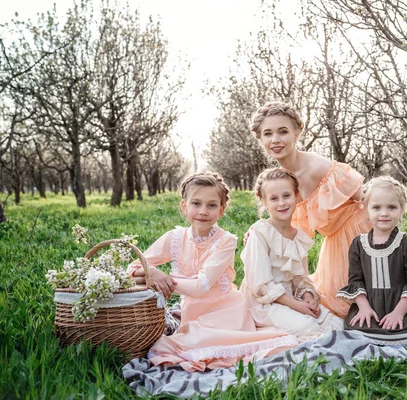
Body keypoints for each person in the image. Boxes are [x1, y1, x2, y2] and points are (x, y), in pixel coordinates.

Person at [127, 172, 297, 372]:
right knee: (168, 346)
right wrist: (153, 272)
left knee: (176, 347)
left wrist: (164, 279)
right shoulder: (174, 238)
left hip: (227, 313)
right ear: (184, 206)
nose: (203, 211)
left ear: (221, 210)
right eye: (196, 203)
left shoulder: (226, 241)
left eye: (212, 205)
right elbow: (132, 268)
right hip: (193, 314)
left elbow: (200, 287)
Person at [250, 101, 372, 317]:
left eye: (283, 132)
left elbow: (366, 198)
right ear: (261, 139)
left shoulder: (317, 167)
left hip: (360, 237)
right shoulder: (283, 182)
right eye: (267, 134)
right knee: (328, 305)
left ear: (297, 133)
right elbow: (287, 226)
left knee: (348, 307)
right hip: (335, 243)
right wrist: (260, 229)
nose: (275, 140)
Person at [239, 167, 343, 341]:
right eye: (274, 198)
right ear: (264, 202)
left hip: (292, 298)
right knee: (309, 329)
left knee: (336, 325)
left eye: (286, 196)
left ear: (296, 196)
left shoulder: (299, 237)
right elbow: (261, 285)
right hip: (264, 304)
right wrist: (297, 306)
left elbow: (300, 279)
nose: (281, 203)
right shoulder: (259, 233)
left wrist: (308, 297)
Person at [337, 176, 407, 344]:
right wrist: (365, 308)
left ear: (402, 209)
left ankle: (399, 318)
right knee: (358, 329)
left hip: (403, 307)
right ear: (366, 210)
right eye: (376, 207)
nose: (384, 213)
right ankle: (369, 315)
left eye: (391, 207)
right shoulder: (358, 244)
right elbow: (355, 280)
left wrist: (398, 313)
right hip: (371, 305)